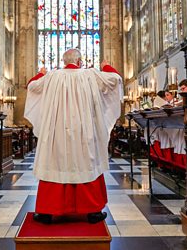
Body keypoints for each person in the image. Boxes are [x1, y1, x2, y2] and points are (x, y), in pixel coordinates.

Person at [24, 48, 122, 224]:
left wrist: (40, 73)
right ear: (80, 62)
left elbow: (31, 86)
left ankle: (46, 212)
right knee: (87, 162)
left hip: (56, 131)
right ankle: (92, 211)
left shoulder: (52, 76)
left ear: (64, 62)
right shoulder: (91, 75)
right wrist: (106, 67)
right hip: (84, 131)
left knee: (54, 162)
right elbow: (115, 80)